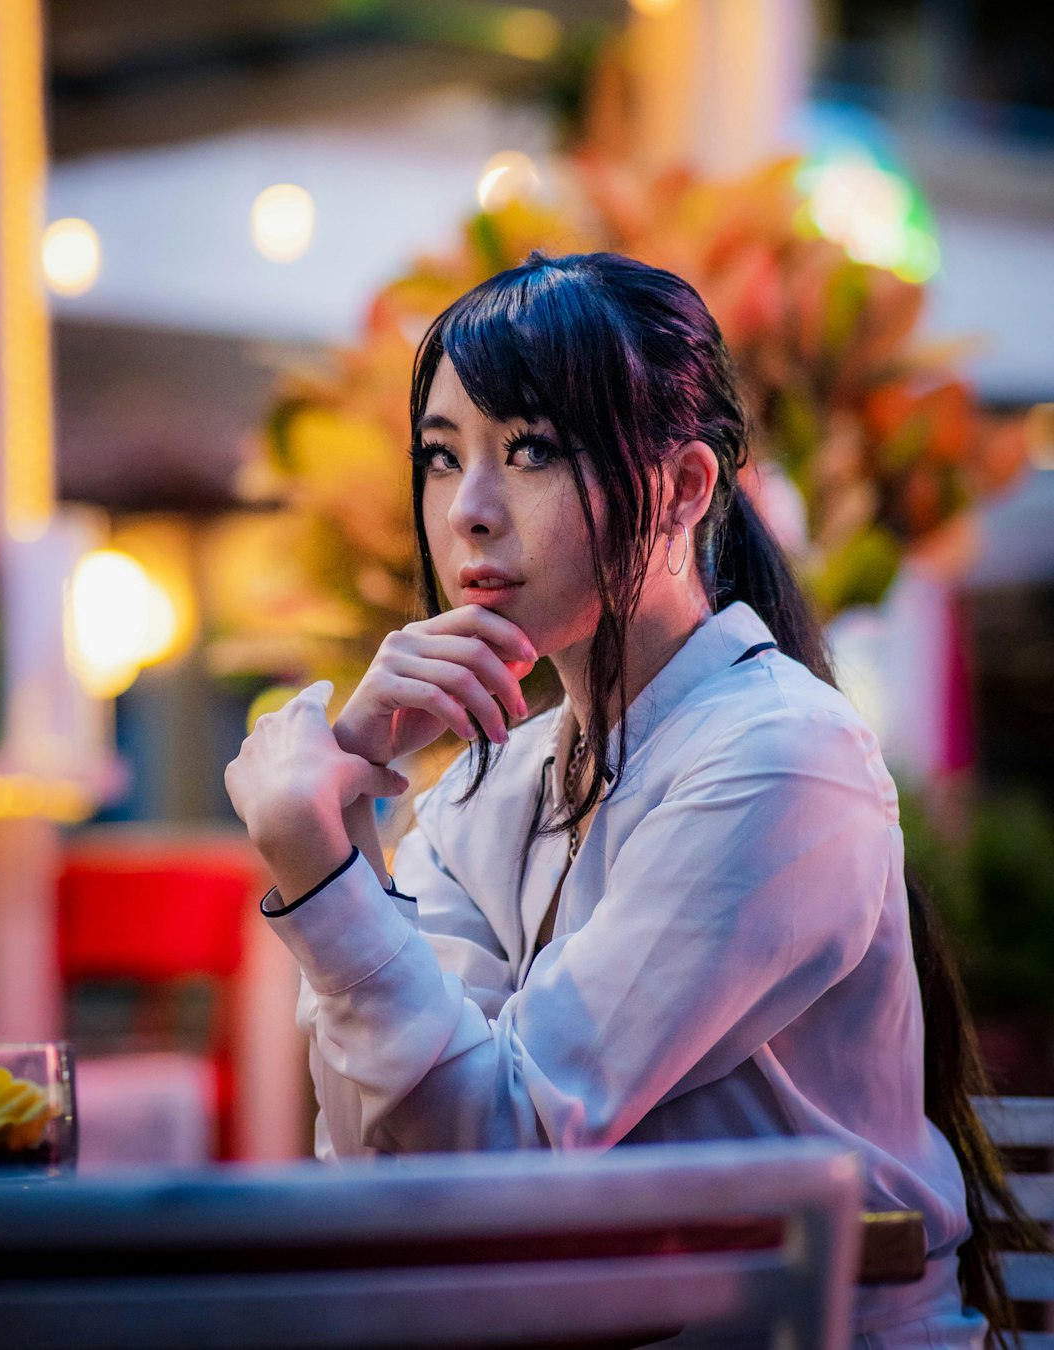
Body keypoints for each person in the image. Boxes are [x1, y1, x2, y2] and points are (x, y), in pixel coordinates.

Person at [226, 251, 1030, 1348]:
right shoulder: (492, 778)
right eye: (441, 456)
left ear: (686, 487)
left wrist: (311, 851)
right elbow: (389, 1158)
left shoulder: (784, 759)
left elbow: (499, 1148)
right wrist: (353, 796)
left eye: (533, 451)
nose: (467, 511)